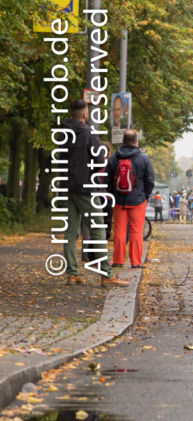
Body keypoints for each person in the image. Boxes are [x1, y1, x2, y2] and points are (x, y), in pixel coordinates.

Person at [61, 99, 128, 287]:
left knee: (71, 231)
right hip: (86, 187)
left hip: (69, 187)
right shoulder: (88, 134)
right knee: (98, 228)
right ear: (85, 114)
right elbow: (100, 160)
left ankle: (72, 273)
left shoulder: (63, 134)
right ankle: (107, 274)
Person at [107, 129, 155, 269]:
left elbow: (107, 179)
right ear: (136, 141)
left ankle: (118, 260)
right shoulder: (143, 158)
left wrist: (113, 194)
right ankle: (135, 262)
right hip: (138, 200)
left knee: (120, 230)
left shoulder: (114, 157)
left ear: (123, 141)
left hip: (119, 200)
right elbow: (150, 180)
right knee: (136, 231)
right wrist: (144, 195)